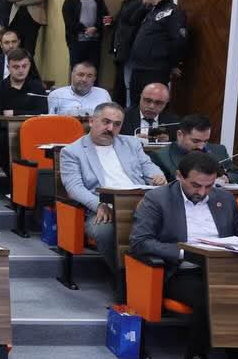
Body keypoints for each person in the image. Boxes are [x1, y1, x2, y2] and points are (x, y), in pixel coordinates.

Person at [129, 151, 238, 359]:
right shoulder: (158, 199)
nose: (203, 192)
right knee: (209, 296)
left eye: (209, 186)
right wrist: (184, 252)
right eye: (196, 185)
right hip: (181, 271)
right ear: (179, 176)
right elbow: (140, 242)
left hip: (223, 269)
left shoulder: (225, 199)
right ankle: (195, 355)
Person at [59, 102, 166, 266]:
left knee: (171, 222)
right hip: (102, 207)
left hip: (138, 203)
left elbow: (148, 167)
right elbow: (74, 188)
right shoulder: (72, 152)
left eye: (117, 124)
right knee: (104, 231)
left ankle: (158, 271)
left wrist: (157, 176)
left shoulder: (131, 143)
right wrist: (99, 204)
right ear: (92, 121)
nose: (110, 128)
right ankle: (122, 274)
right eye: (106, 122)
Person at [127, 0, 187, 107]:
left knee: (151, 106)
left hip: (154, 70)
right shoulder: (151, 10)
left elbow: (178, 41)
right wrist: (144, 5)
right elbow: (132, 20)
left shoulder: (173, 12)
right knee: (135, 106)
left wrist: (173, 64)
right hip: (139, 67)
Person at [0, 48, 47, 167]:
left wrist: (14, 113)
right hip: (6, 132)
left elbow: (43, 112)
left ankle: (38, 174)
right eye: (16, 67)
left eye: (24, 66)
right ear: (8, 68)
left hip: (33, 130)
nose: (21, 70)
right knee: (0, 142)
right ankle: (13, 177)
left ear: (29, 66)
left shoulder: (37, 87)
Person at [152, 115, 238, 184]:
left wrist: (226, 178)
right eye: (195, 141)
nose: (201, 146)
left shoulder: (219, 150)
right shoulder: (160, 156)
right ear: (180, 135)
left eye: (205, 141)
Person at [61, 0, 109, 79]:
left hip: (95, 43)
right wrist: (85, 30)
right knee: (77, 71)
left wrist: (95, 28)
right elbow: (69, 22)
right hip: (76, 42)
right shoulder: (70, 1)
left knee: (94, 71)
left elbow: (106, 17)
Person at [110, 0, 147, 107]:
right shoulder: (126, 2)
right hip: (121, 49)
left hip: (129, 49)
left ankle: (128, 112)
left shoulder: (139, 2)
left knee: (128, 84)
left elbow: (132, 24)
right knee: (121, 83)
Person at [6, 0, 49, 64]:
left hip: (32, 21)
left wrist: (19, 2)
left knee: (29, 50)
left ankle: (28, 71)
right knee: (15, 49)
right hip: (16, 20)